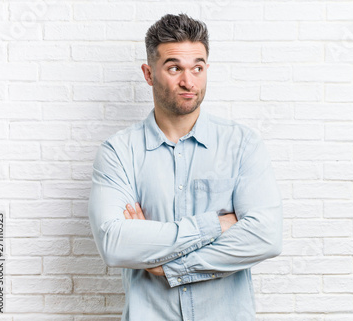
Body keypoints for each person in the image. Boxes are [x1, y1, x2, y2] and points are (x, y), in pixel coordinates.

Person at [88, 13, 282, 321]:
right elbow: (115, 245)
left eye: (198, 68)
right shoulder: (119, 153)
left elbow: (266, 236)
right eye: (174, 67)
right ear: (149, 73)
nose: (188, 81)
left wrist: (167, 265)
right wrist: (215, 225)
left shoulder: (242, 144)